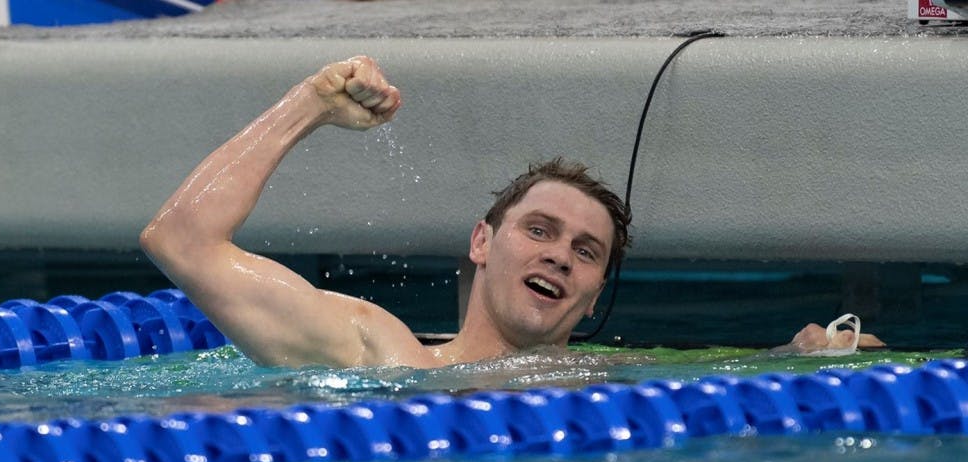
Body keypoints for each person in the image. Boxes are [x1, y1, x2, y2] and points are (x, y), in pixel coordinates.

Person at [141, 55, 881, 369]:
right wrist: (309, 104)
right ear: (481, 242)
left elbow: (743, 376)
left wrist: (805, 359)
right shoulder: (380, 352)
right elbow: (180, 239)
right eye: (540, 230)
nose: (561, 254)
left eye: (587, 252)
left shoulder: (608, 379)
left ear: (594, 295)